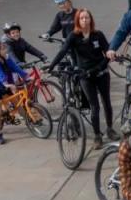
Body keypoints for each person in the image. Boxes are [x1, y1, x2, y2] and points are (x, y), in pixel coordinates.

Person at [46, 9, 118, 147]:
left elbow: (107, 54)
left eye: (87, 17)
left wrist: (98, 68)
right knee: (94, 106)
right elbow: (63, 51)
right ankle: (97, 135)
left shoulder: (98, 35)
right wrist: (51, 66)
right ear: (78, 21)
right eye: (82, 18)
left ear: (91, 20)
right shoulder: (73, 36)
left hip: (101, 73)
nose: (85, 20)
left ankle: (109, 128)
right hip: (85, 76)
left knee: (106, 102)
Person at [0, 39, 27, 145]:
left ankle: (29, 121)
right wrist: (6, 83)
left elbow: (15, 68)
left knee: (17, 102)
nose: (6, 49)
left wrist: (26, 76)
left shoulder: (6, 57)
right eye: (3, 48)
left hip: (6, 85)